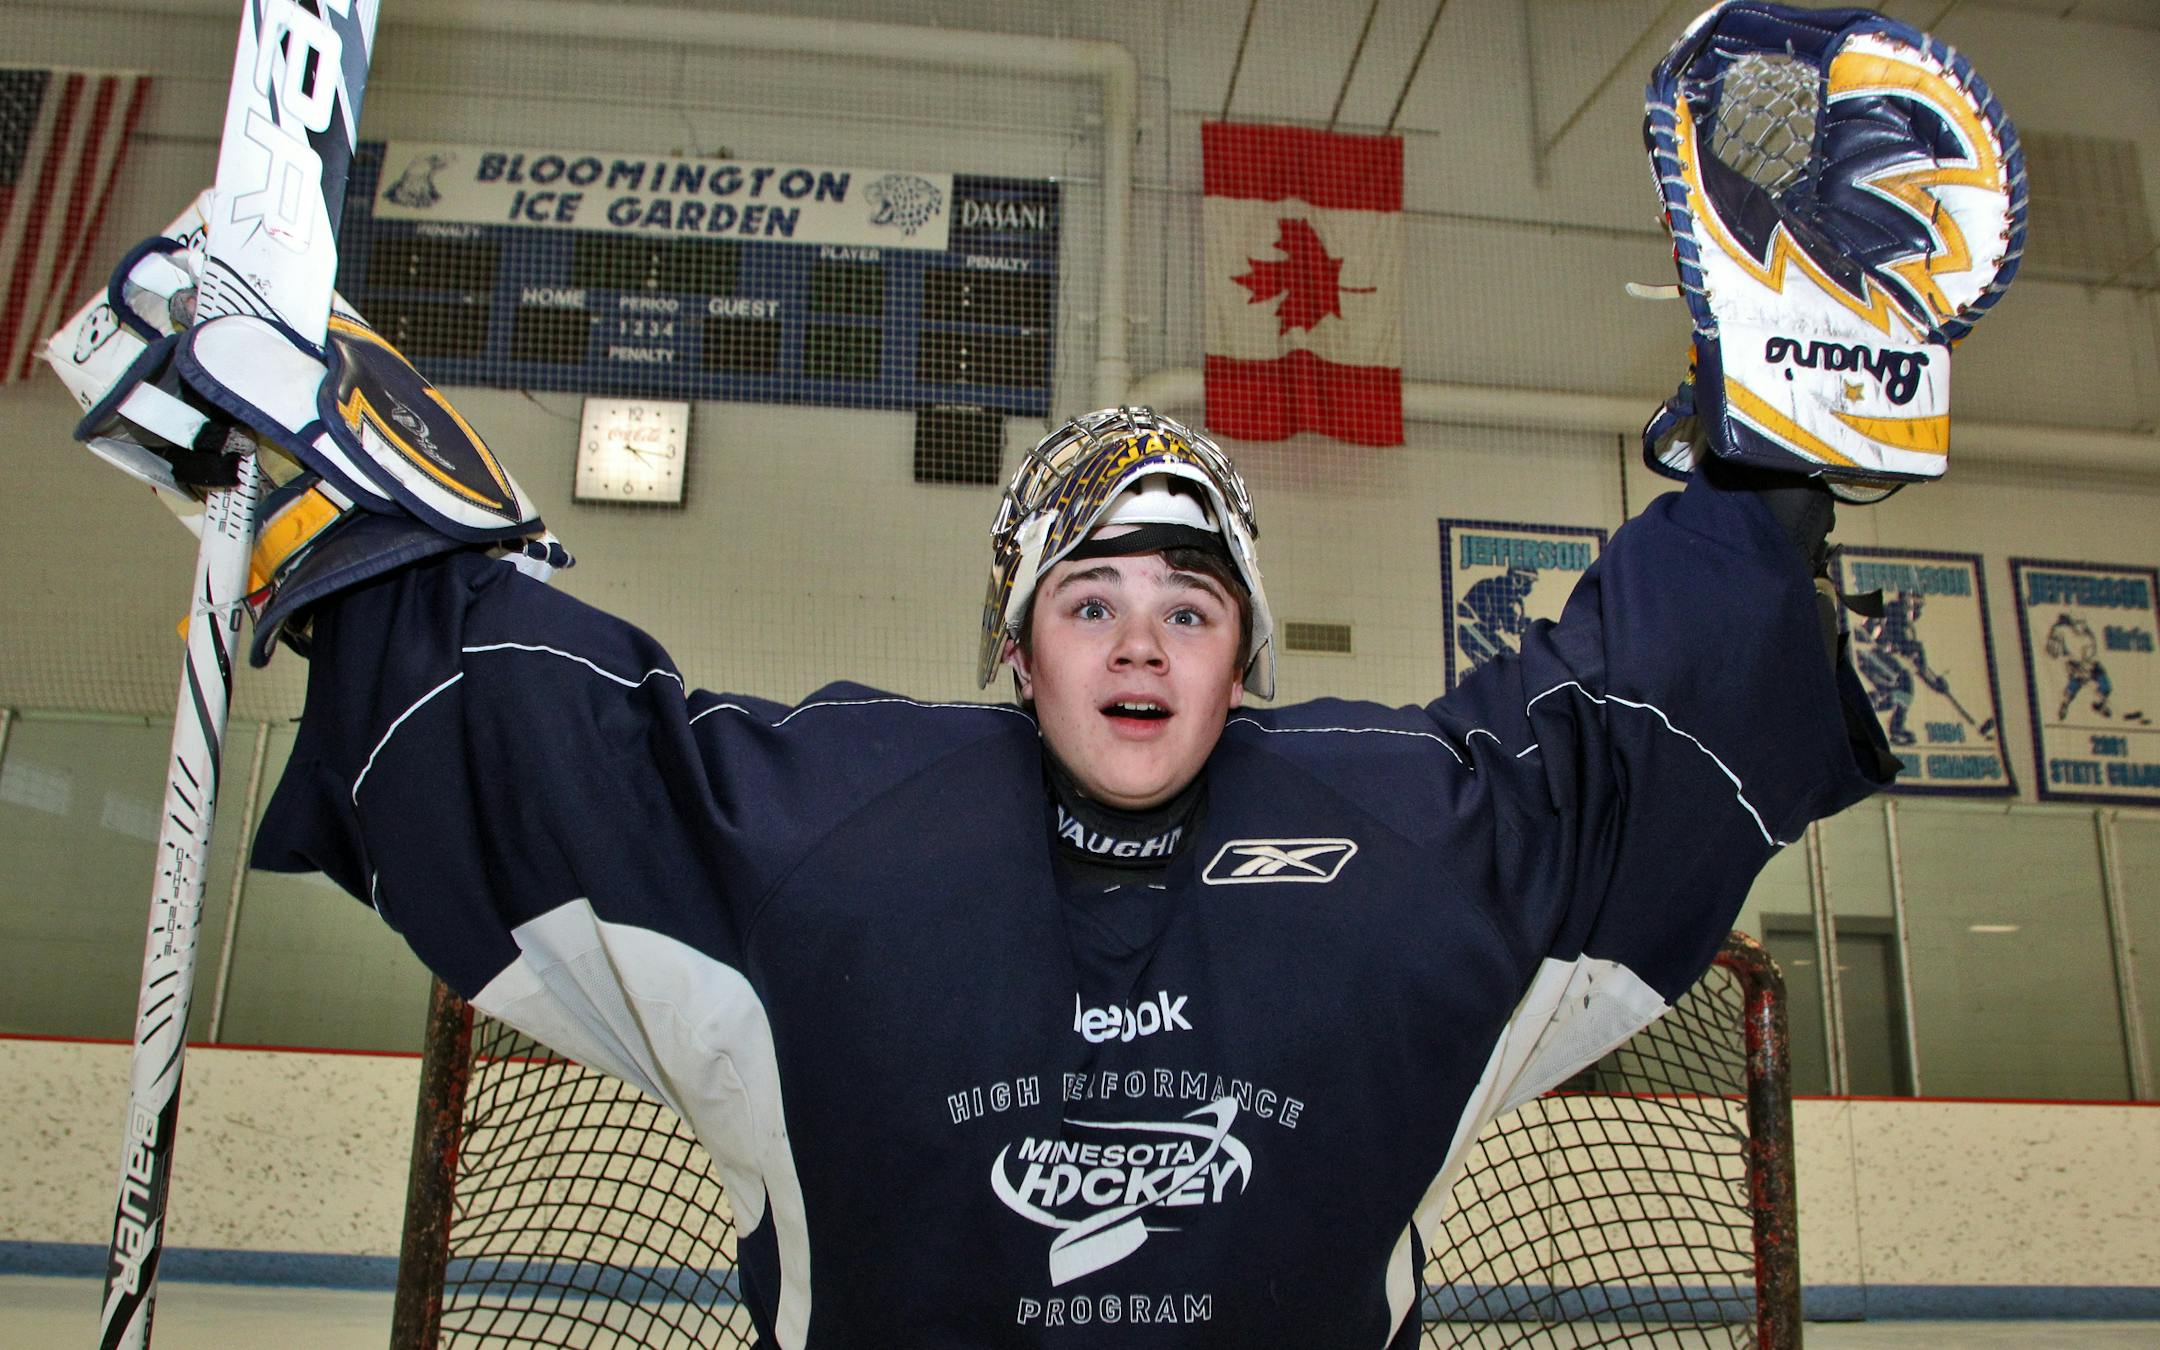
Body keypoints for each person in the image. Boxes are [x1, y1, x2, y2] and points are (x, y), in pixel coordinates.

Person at [52, 5, 2021, 1343]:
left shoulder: (1415, 840)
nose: (1143, 634)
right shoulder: (814, 833)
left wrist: (1773, 471)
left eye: (1189, 597)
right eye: (1092, 598)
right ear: (1014, 649)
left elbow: (1622, 734)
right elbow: (546, 736)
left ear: (1246, 654)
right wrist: (326, 490)